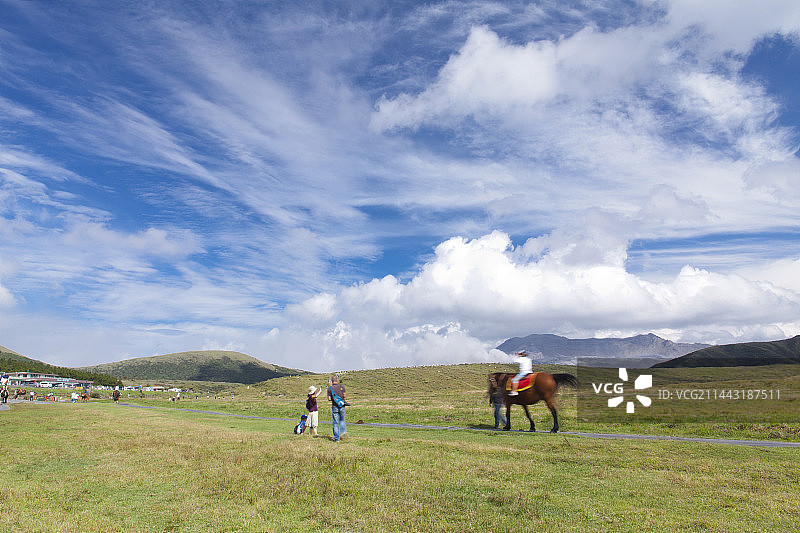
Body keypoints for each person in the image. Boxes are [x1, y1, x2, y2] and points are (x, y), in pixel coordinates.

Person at [326, 375, 347, 442]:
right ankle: (343, 434)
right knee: (342, 420)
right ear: (337, 380)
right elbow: (344, 395)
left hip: (334, 406)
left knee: (335, 422)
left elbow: (329, 399)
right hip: (342, 406)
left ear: (331, 381)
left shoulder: (330, 388)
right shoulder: (342, 386)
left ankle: (337, 439)